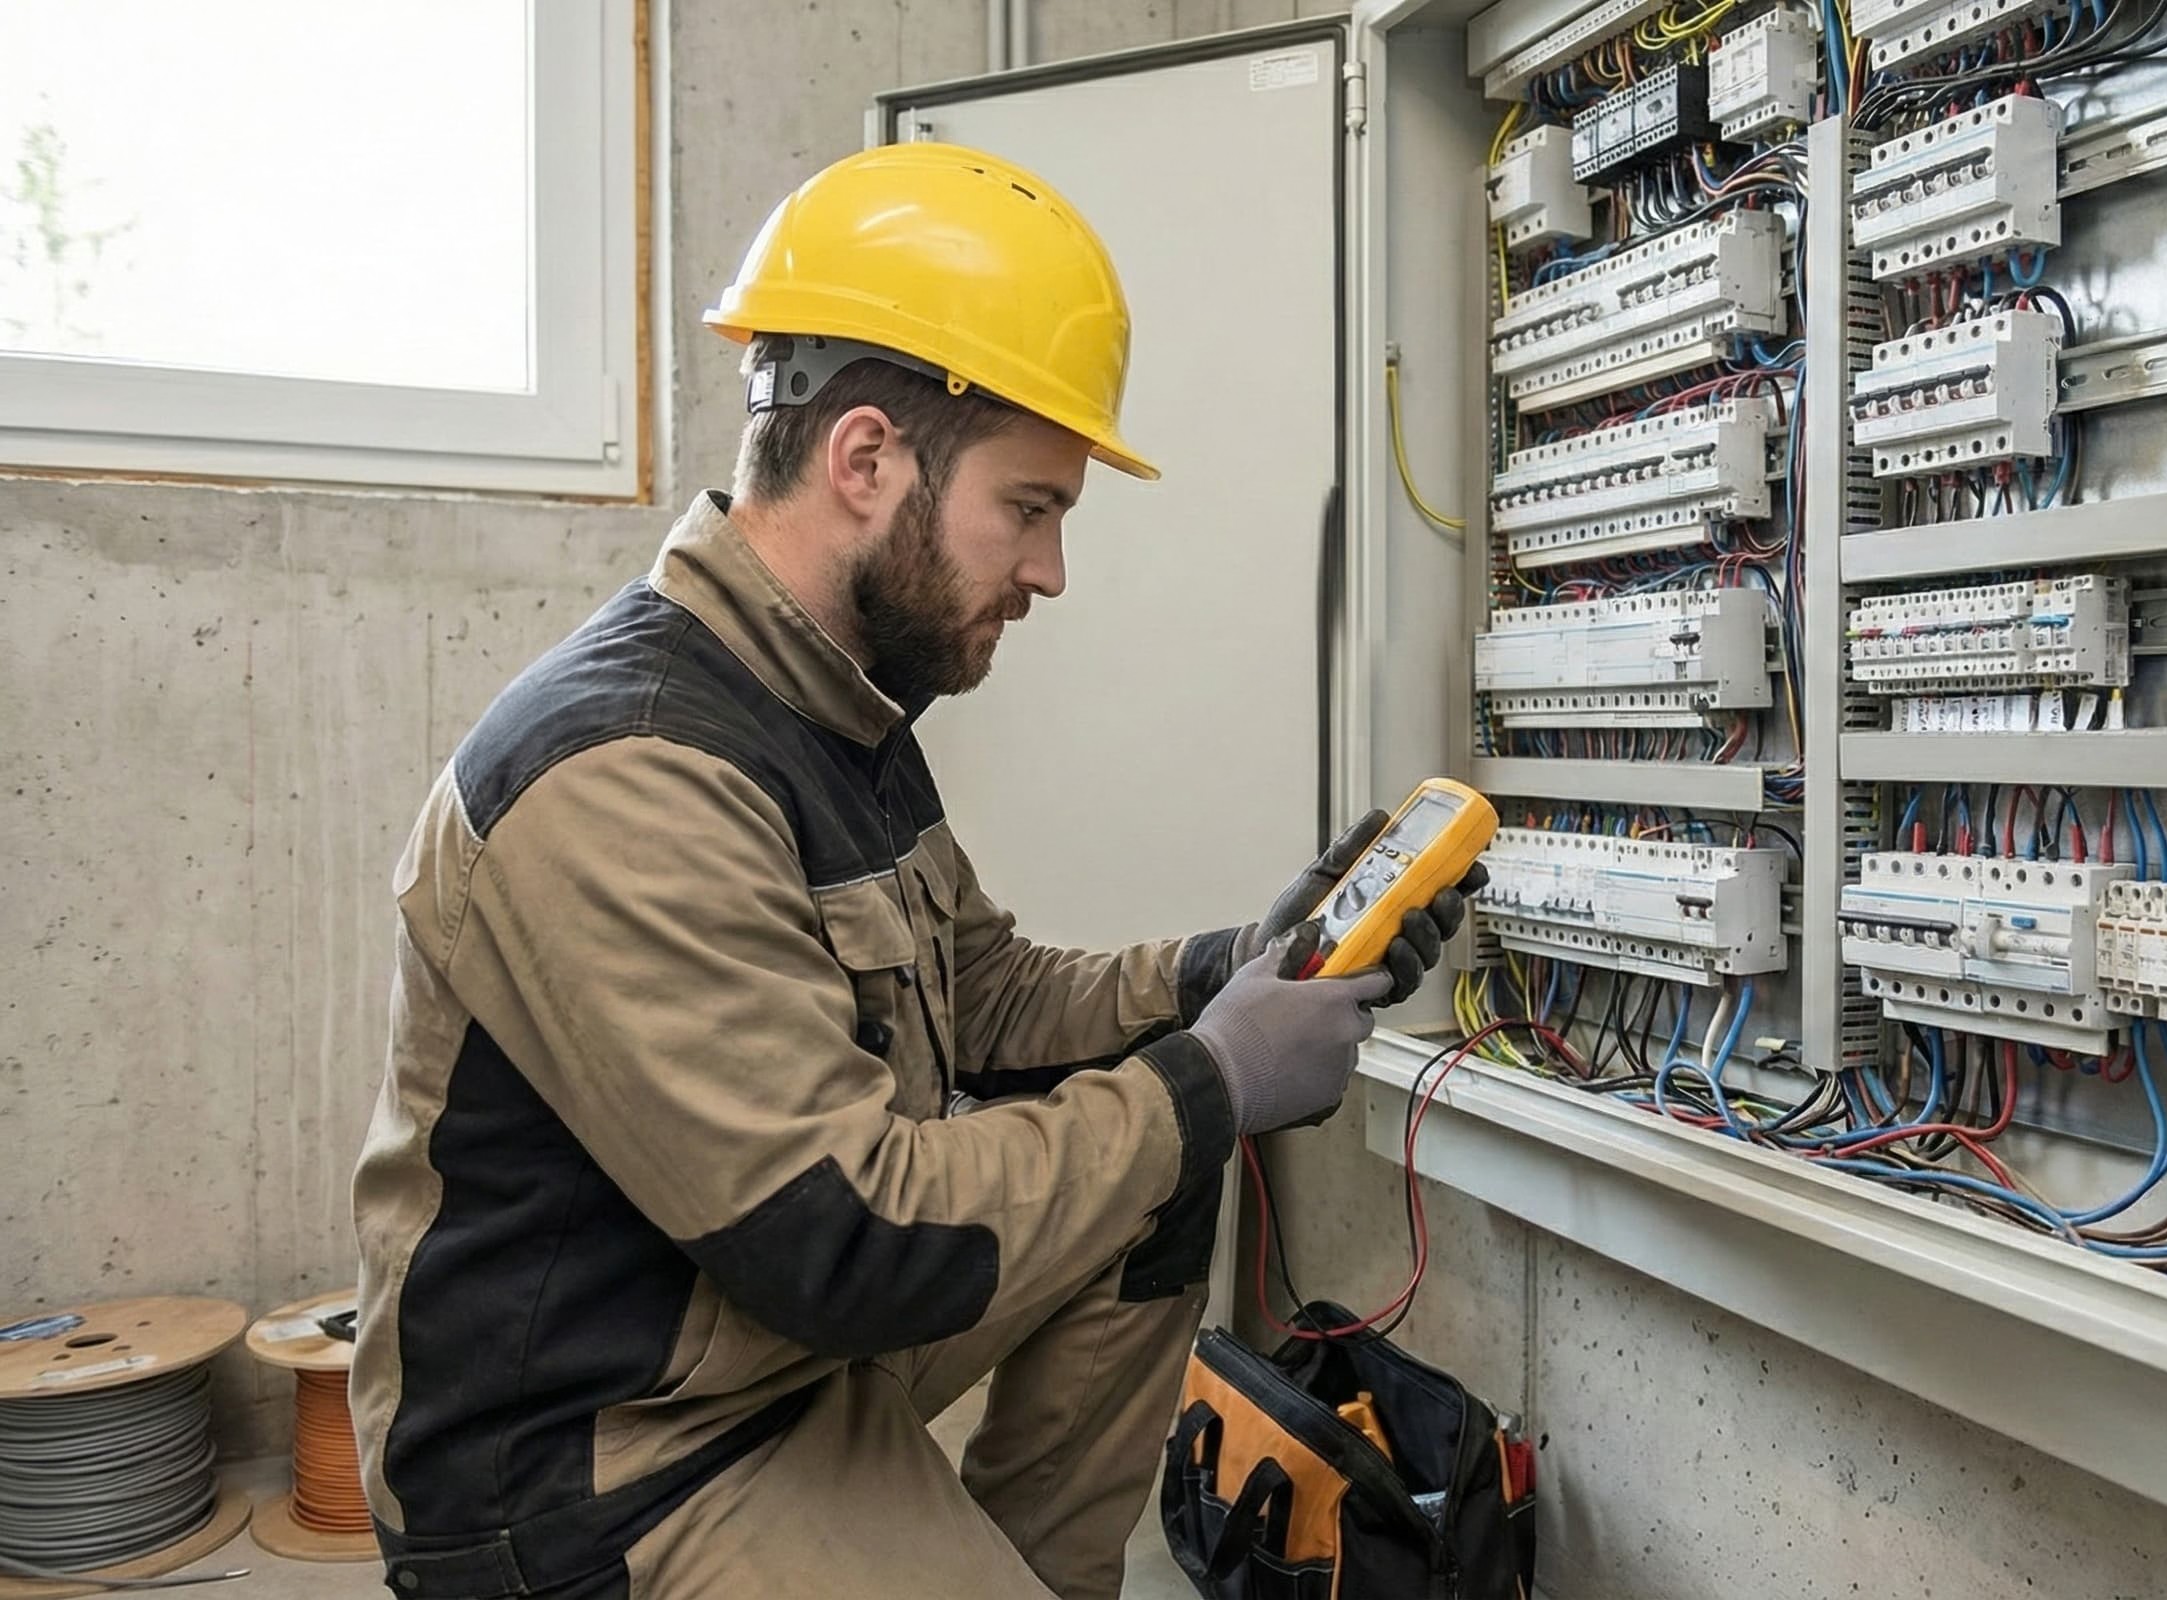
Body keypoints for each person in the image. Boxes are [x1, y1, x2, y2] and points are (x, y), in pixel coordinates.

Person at [348, 144, 1482, 1600]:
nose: (1053, 570)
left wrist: (1224, 971)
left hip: (762, 1350)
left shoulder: (826, 704)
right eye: (1031, 507)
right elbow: (852, 1236)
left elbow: (982, 988)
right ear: (868, 459)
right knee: (1167, 1127)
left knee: (1152, 1183)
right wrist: (1209, 1077)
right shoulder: (628, 774)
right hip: (610, 1463)